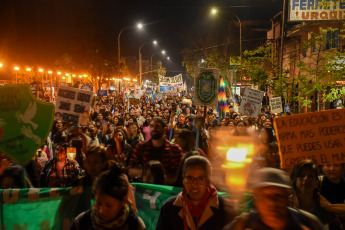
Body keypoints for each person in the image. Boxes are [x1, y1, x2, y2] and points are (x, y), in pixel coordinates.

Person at [224, 167, 325, 230]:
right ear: (256, 201)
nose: (272, 202)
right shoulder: (242, 224)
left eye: (278, 195)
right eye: (265, 196)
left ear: (287, 198)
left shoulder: (308, 224)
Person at [156, 155, 236, 230]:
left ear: (208, 181)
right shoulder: (169, 208)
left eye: (201, 179)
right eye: (189, 178)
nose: (194, 184)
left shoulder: (224, 208)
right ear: (183, 179)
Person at [71, 169, 146, 230]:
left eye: (109, 205)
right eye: (98, 203)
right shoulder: (82, 222)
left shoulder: (135, 225)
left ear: (123, 201)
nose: (101, 210)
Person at [127, 117, 183, 185]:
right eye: (152, 126)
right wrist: (146, 173)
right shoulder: (141, 147)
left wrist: (159, 177)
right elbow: (130, 170)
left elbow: (178, 175)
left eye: (157, 126)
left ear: (164, 129)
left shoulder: (174, 150)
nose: (154, 129)